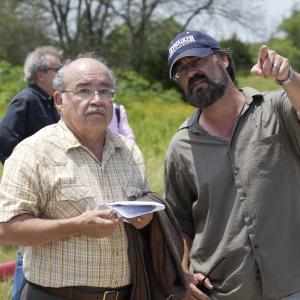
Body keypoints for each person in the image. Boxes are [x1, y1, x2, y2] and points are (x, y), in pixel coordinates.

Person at [0, 54, 186, 300]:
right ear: (59, 100)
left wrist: (146, 220)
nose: (97, 100)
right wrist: (76, 226)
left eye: (105, 91)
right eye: (84, 91)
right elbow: (7, 231)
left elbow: (144, 213)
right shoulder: (33, 152)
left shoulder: (128, 151)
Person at [164, 31, 300, 300]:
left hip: (292, 283)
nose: (190, 73)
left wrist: (288, 78)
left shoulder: (276, 108)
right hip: (224, 291)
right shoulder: (181, 147)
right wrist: (181, 273)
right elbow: (179, 222)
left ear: (223, 60)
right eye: (181, 70)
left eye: (197, 61)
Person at [0, 46, 62, 300]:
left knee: (36, 249)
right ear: (40, 74)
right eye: (57, 70)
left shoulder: (51, 102)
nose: (61, 74)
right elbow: (3, 138)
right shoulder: (26, 99)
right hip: (31, 190)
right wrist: (21, 173)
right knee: (28, 249)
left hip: (51, 190)